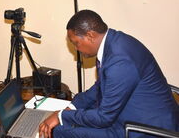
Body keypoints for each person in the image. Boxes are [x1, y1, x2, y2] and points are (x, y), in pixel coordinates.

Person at [39, 10, 179, 138]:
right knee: (66, 123)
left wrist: (62, 116)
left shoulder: (120, 61)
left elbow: (104, 117)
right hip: (133, 113)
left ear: (90, 35)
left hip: (144, 129)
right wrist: (71, 107)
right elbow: (99, 87)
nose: (76, 49)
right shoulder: (115, 42)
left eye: (76, 43)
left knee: (59, 131)